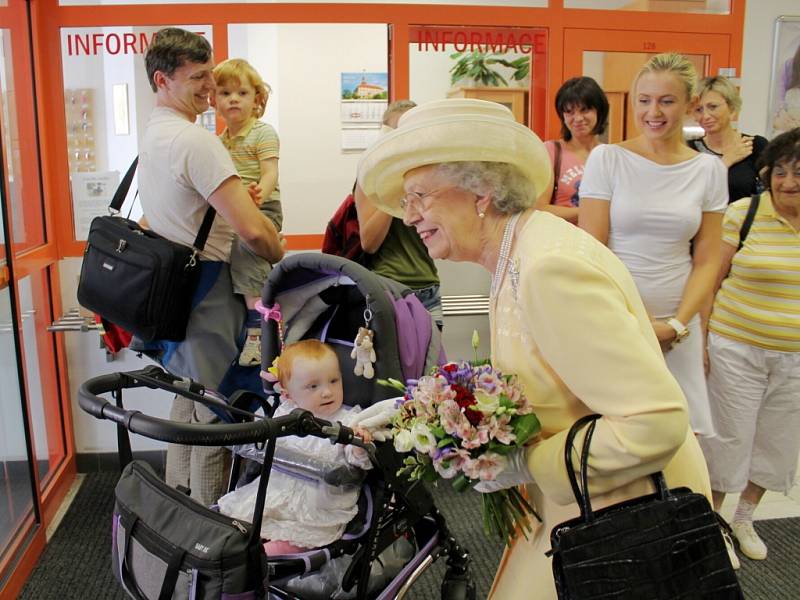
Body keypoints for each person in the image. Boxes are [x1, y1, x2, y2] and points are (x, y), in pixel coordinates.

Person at [354, 97, 712, 599]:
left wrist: (522, 465)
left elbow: (656, 423)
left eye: (420, 196)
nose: (409, 215)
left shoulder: (547, 267)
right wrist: (421, 416)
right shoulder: (520, 252)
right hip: (586, 501)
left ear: (480, 192)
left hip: (626, 516)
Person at [133, 28, 284, 507]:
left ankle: (178, 499)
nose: (208, 89)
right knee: (215, 411)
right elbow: (255, 232)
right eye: (197, 78)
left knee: (188, 399)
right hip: (208, 288)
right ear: (163, 80)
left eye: (209, 77)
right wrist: (280, 258)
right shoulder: (197, 142)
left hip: (175, 287)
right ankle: (208, 523)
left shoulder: (154, 134)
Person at [579, 53, 727, 438]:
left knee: (681, 438)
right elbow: (592, 250)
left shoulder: (708, 170)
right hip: (617, 319)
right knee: (618, 435)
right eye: (644, 100)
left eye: (666, 100)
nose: (653, 112)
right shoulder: (607, 159)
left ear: (690, 104)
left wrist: (677, 324)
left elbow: (708, 258)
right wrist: (632, 322)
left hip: (679, 326)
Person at [699, 128, 800, 565]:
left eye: (798, 172)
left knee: (777, 443)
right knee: (729, 440)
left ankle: (744, 518)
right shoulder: (746, 212)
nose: (788, 180)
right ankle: (714, 525)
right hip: (735, 347)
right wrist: (700, 340)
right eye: (780, 170)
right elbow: (709, 279)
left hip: (794, 356)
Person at [217, 340, 373, 554]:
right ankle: (240, 553)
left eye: (334, 381)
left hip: (316, 505)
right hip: (276, 490)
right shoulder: (286, 412)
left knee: (275, 547)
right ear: (288, 395)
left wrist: (358, 447)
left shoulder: (350, 420)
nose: (327, 392)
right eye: (313, 386)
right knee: (238, 526)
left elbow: (359, 464)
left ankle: (263, 558)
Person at [212, 58, 283, 367]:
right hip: (233, 210)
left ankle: (259, 332)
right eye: (225, 93)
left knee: (247, 251)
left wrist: (258, 195)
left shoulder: (262, 133)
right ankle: (252, 322)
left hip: (262, 206)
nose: (233, 99)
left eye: (241, 93)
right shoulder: (218, 142)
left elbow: (270, 173)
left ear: (258, 99)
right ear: (214, 100)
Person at [354, 100, 443, 328]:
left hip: (428, 289)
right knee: (388, 363)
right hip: (388, 288)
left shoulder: (430, 179)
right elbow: (369, 243)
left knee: (431, 363)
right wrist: (394, 190)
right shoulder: (369, 181)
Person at [534, 76, 608, 224]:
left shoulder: (610, 154)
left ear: (599, 111)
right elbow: (539, 208)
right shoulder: (551, 151)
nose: (578, 118)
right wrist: (589, 212)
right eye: (569, 112)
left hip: (601, 242)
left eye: (585, 110)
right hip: (564, 241)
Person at [689, 75, 768, 202]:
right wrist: (726, 161)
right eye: (698, 109)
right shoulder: (689, 149)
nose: (705, 116)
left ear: (731, 108)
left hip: (744, 221)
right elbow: (690, 193)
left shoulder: (755, 145)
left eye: (712, 107)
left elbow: (772, 190)